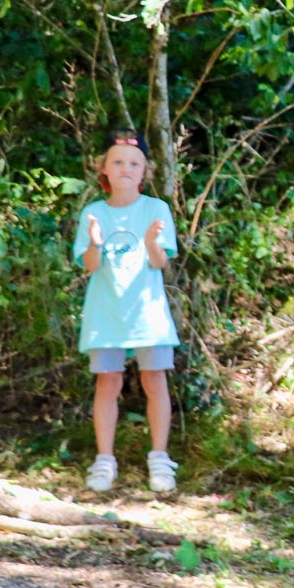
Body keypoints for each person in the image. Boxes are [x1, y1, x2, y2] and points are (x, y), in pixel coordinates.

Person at [73, 130, 180, 493]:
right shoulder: (93, 212)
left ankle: (160, 459)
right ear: (103, 169)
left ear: (145, 171)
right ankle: (104, 460)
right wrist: (96, 243)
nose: (125, 169)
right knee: (108, 382)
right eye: (117, 162)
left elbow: (159, 261)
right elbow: (89, 264)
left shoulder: (156, 209)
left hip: (148, 314)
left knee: (154, 380)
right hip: (106, 314)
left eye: (134, 163)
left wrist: (151, 242)